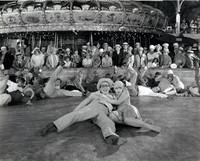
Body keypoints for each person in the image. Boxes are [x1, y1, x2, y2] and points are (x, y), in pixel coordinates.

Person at [38, 78, 127, 146]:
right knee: (77, 114)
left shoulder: (113, 96)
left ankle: (110, 137)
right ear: (99, 87)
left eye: (107, 86)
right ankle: (51, 125)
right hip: (93, 107)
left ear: (109, 87)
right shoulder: (95, 94)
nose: (105, 87)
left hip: (104, 112)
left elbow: (119, 105)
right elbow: (84, 102)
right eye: (103, 86)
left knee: (108, 122)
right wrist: (76, 111)